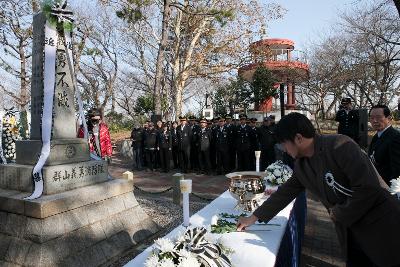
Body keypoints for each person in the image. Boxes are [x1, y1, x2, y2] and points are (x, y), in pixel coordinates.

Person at [237, 112, 400, 267]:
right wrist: (253, 218)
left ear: (298, 138)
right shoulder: (302, 164)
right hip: (352, 232)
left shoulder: (340, 145)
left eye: (284, 143)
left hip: (382, 227)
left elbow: (368, 188)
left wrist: (338, 213)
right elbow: (285, 192)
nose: (284, 149)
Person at [368, 104, 400, 186]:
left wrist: (393, 192)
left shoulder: (395, 138)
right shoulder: (377, 135)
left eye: (378, 117)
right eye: (371, 118)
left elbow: (397, 170)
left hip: (387, 189)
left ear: (389, 118)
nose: (374, 121)